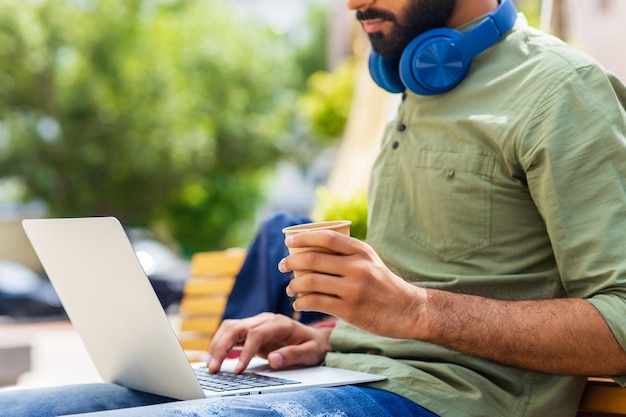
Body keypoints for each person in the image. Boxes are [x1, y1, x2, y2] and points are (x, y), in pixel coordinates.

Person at [4, 0, 626, 415]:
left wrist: (414, 311)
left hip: (444, 403)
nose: (353, 1)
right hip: (346, 379)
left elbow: (620, 324)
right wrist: (326, 338)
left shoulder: (562, 93)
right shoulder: (414, 90)